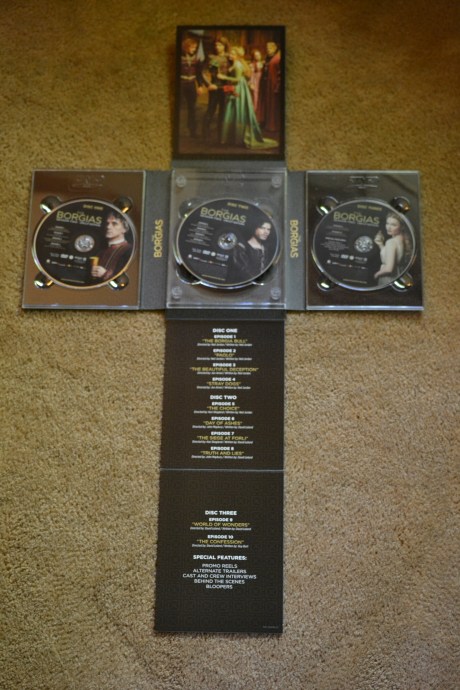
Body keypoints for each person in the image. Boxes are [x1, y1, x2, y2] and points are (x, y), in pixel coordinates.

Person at [218, 46, 278, 150]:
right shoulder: (236, 63)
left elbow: (237, 79)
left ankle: (237, 137)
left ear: (237, 55)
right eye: (230, 53)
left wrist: (224, 77)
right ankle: (234, 137)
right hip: (238, 87)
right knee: (234, 110)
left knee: (236, 109)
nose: (230, 55)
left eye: (233, 54)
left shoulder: (237, 64)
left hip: (238, 88)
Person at [202, 37, 230, 143]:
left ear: (225, 46)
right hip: (214, 87)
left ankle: (221, 136)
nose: (217, 47)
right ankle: (205, 134)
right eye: (216, 45)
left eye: (220, 45)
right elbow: (203, 72)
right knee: (211, 110)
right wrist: (209, 84)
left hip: (225, 87)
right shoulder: (211, 57)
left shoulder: (229, 57)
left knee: (223, 112)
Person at [90, 210, 132, 282]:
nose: (108, 227)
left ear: (125, 229)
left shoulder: (128, 250)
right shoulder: (100, 248)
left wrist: (105, 274)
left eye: (114, 223)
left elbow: (127, 277)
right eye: (107, 223)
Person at [373, 212, 411, 285]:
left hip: (388, 278)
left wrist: (376, 275)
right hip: (398, 276)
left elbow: (389, 269)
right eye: (387, 223)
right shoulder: (403, 239)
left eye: (393, 225)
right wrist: (380, 244)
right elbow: (390, 257)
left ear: (402, 227)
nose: (388, 227)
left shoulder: (391, 242)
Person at [180, 37, 205, 138]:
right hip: (181, 84)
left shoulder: (196, 58)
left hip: (191, 85)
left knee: (192, 108)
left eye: (195, 48)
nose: (194, 49)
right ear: (186, 47)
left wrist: (200, 86)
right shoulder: (180, 57)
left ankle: (192, 131)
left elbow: (199, 73)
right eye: (192, 47)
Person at [257, 41, 281, 134]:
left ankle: (272, 126)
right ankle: (264, 122)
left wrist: (278, 86)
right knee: (265, 103)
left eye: (270, 48)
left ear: (275, 48)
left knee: (272, 105)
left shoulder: (278, 58)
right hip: (265, 84)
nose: (268, 49)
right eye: (267, 48)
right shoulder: (267, 57)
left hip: (272, 84)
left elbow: (279, 73)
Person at [248, 49, 264, 113]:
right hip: (256, 81)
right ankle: (255, 112)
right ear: (254, 57)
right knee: (255, 96)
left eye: (259, 55)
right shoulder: (252, 65)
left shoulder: (263, 63)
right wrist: (251, 83)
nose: (258, 56)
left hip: (262, 81)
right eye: (256, 55)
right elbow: (251, 74)